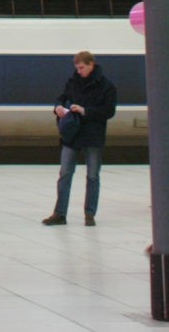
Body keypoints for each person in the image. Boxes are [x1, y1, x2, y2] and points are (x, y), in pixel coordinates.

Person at [44, 50, 118, 227]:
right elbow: (61, 98)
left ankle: (89, 214)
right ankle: (59, 213)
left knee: (92, 175)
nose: (79, 71)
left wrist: (85, 111)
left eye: (82, 68)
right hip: (72, 134)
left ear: (91, 64)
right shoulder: (73, 83)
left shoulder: (106, 86)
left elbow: (109, 111)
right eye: (77, 68)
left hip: (93, 135)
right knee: (65, 174)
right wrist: (58, 107)